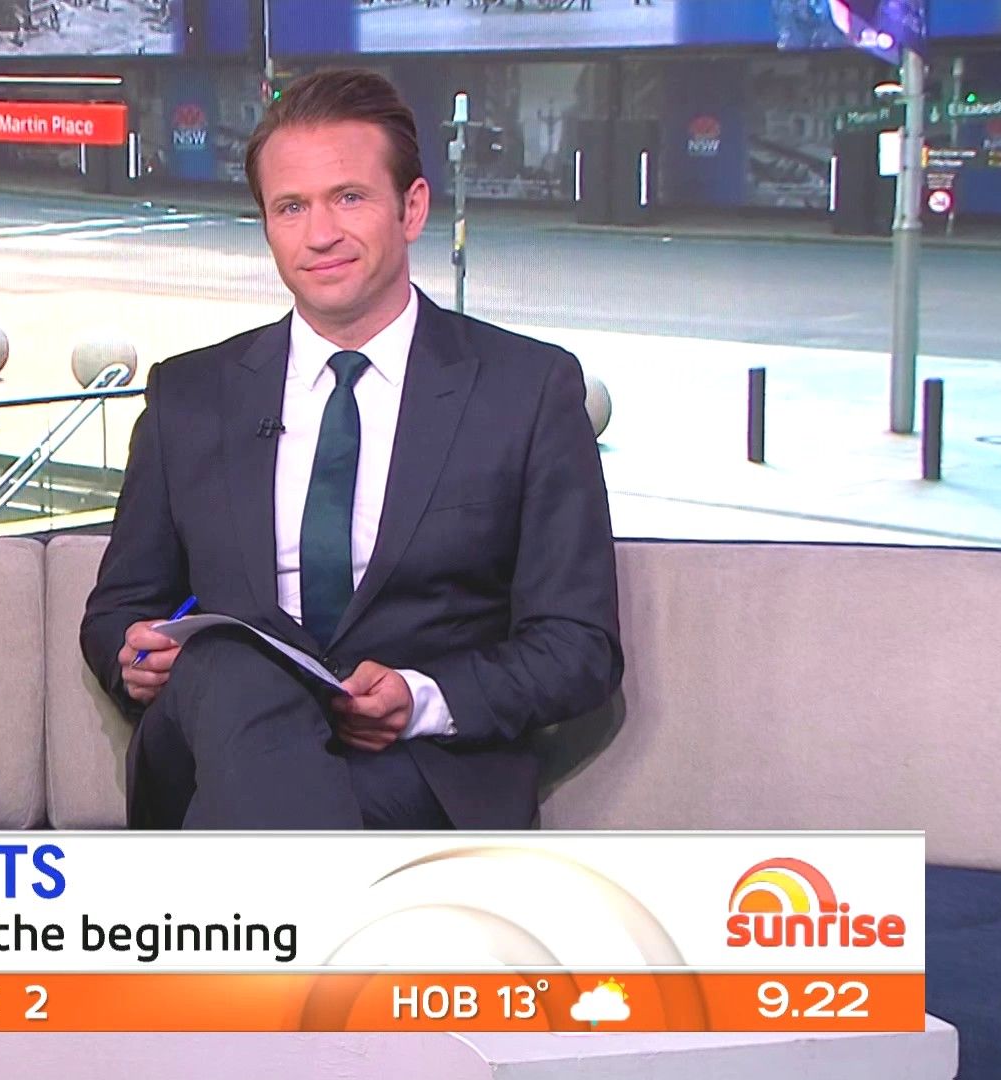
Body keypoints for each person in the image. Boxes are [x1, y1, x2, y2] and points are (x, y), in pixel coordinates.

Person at [80, 69, 622, 831]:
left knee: (253, 816)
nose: (320, 234)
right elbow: (119, 611)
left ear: (413, 208)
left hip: (418, 767)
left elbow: (578, 646)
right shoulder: (191, 397)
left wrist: (420, 697)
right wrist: (134, 655)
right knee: (231, 661)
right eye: (291, 207)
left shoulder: (524, 390)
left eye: (349, 198)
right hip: (211, 742)